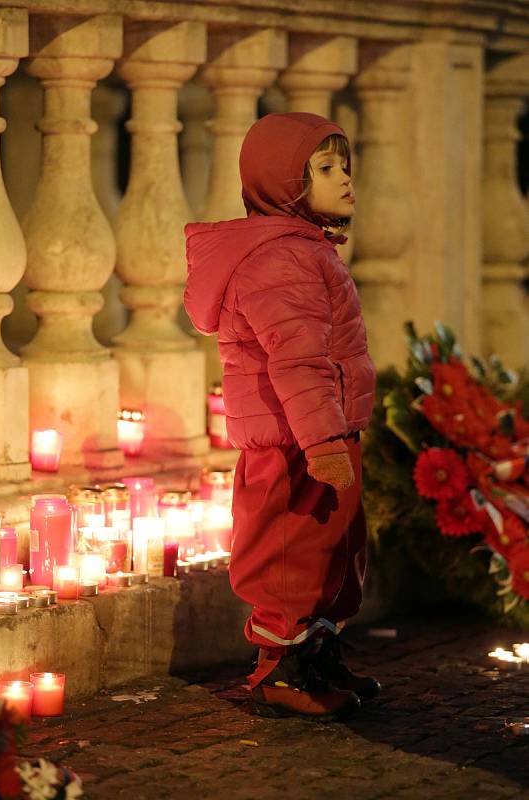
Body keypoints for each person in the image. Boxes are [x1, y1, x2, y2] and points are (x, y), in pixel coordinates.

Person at [184, 112, 379, 721]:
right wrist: (322, 443)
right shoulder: (279, 261)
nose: (344, 177)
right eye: (324, 167)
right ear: (283, 183)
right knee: (290, 559)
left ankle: (315, 656)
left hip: (321, 430)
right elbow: (297, 359)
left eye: (343, 163)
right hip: (294, 444)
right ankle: (283, 671)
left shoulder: (304, 250)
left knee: (331, 555)